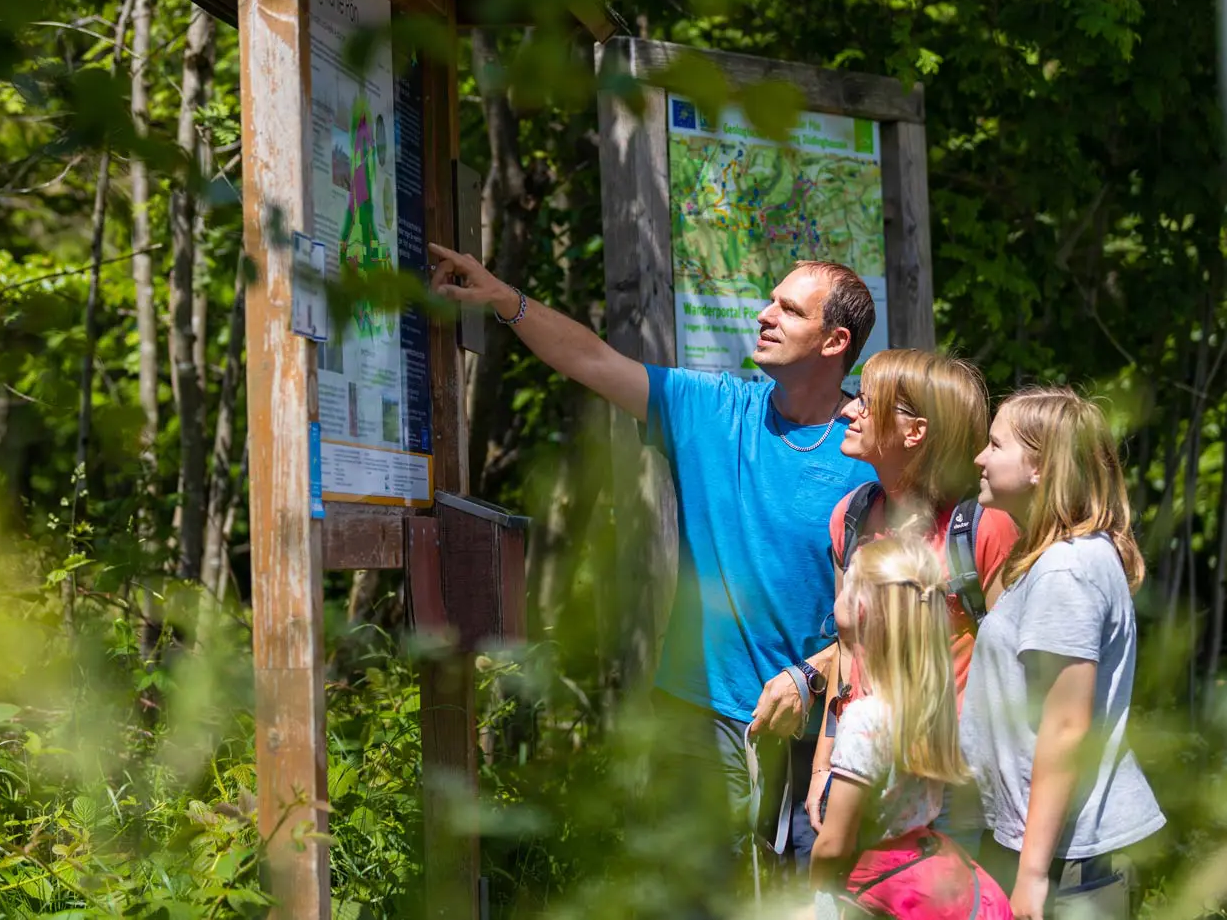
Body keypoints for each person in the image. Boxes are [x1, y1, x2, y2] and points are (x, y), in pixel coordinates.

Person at [426, 242, 876, 868]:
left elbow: (906, 603)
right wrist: (505, 299)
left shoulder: (868, 447)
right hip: (697, 718)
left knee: (807, 900)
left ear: (835, 341)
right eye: (770, 300)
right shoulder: (712, 409)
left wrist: (816, 673)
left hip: (817, 725)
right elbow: (591, 359)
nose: (764, 314)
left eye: (790, 310)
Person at [961, 388, 1165, 920]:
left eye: (995, 445)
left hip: (1060, 855)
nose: (980, 458)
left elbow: (1066, 726)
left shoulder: (1065, 570)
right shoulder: (1059, 558)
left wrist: (1031, 873)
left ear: (1040, 467)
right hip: (1041, 841)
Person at [807, 350, 1020, 844]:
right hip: (863, 768)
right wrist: (825, 765)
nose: (848, 410)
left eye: (868, 402)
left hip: (952, 784)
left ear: (915, 431)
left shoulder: (981, 528)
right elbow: (847, 653)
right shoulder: (851, 517)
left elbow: (1014, 663)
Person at [809, 535, 1011, 920]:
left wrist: (814, 892)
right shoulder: (928, 705)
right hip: (913, 874)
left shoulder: (866, 719)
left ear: (861, 609)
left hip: (868, 894)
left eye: (849, 581)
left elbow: (834, 844)